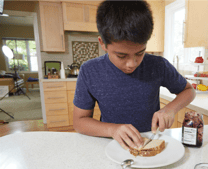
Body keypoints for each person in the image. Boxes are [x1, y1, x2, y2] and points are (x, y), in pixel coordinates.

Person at [73, 0, 196, 150]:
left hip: (150, 142)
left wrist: (170, 109)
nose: (132, 63)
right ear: (103, 43)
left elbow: (189, 91)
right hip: (111, 144)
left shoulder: (158, 65)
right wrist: (112, 130)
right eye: (121, 56)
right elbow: (79, 122)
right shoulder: (89, 71)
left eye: (140, 53)